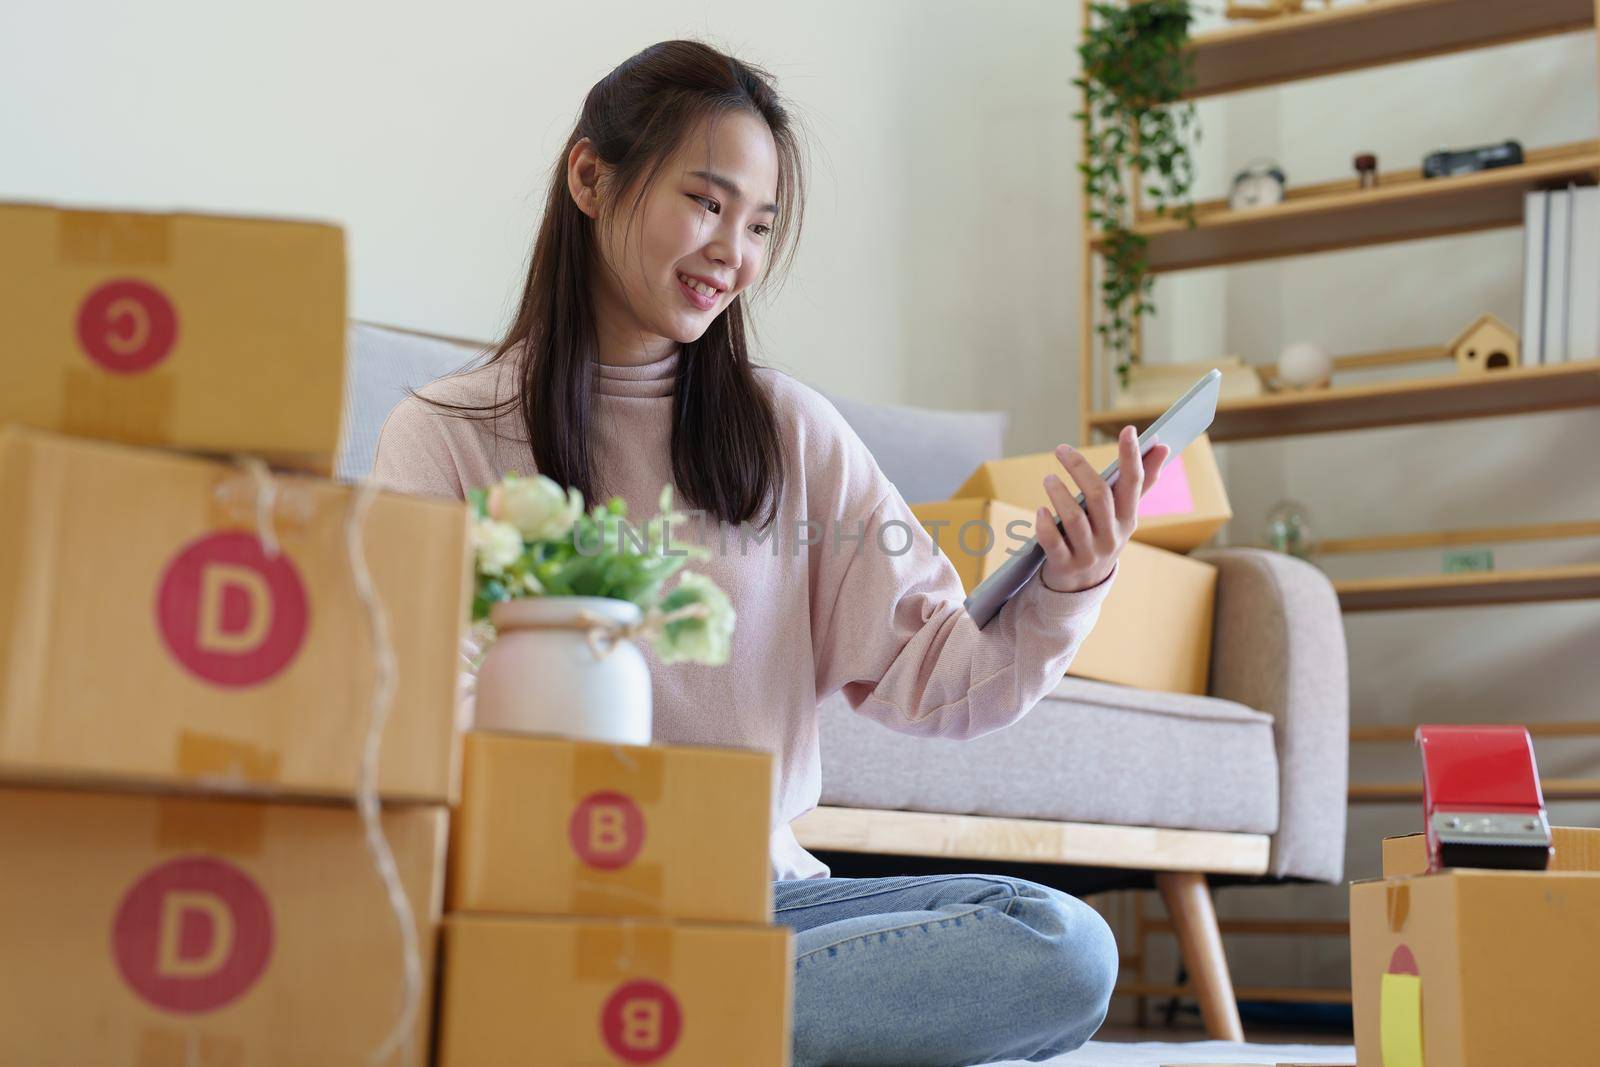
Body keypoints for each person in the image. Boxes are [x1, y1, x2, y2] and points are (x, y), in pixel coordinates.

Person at [372, 38, 1171, 1067]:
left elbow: (934, 678)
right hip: (541, 900)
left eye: (759, 225)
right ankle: (631, 1017)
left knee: (1061, 943)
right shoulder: (443, 431)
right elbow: (414, 717)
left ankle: (619, 1028)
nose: (733, 253)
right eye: (707, 203)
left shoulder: (788, 431)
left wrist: (1067, 583)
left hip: (764, 907)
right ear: (589, 177)